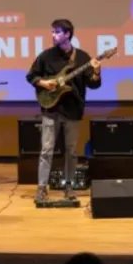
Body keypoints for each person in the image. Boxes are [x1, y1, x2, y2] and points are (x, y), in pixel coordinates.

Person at [26, 19, 102, 203]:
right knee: (46, 150)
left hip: (73, 110)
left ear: (68, 34)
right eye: (52, 32)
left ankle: (69, 187)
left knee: (71, 151)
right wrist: (44, 83)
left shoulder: (82, 57)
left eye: (57, 32)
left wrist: (97, 72)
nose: (53, 35)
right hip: (50, 109)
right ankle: (42, 188)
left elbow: (94, 84)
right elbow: (31, 76)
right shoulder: (46, 56)